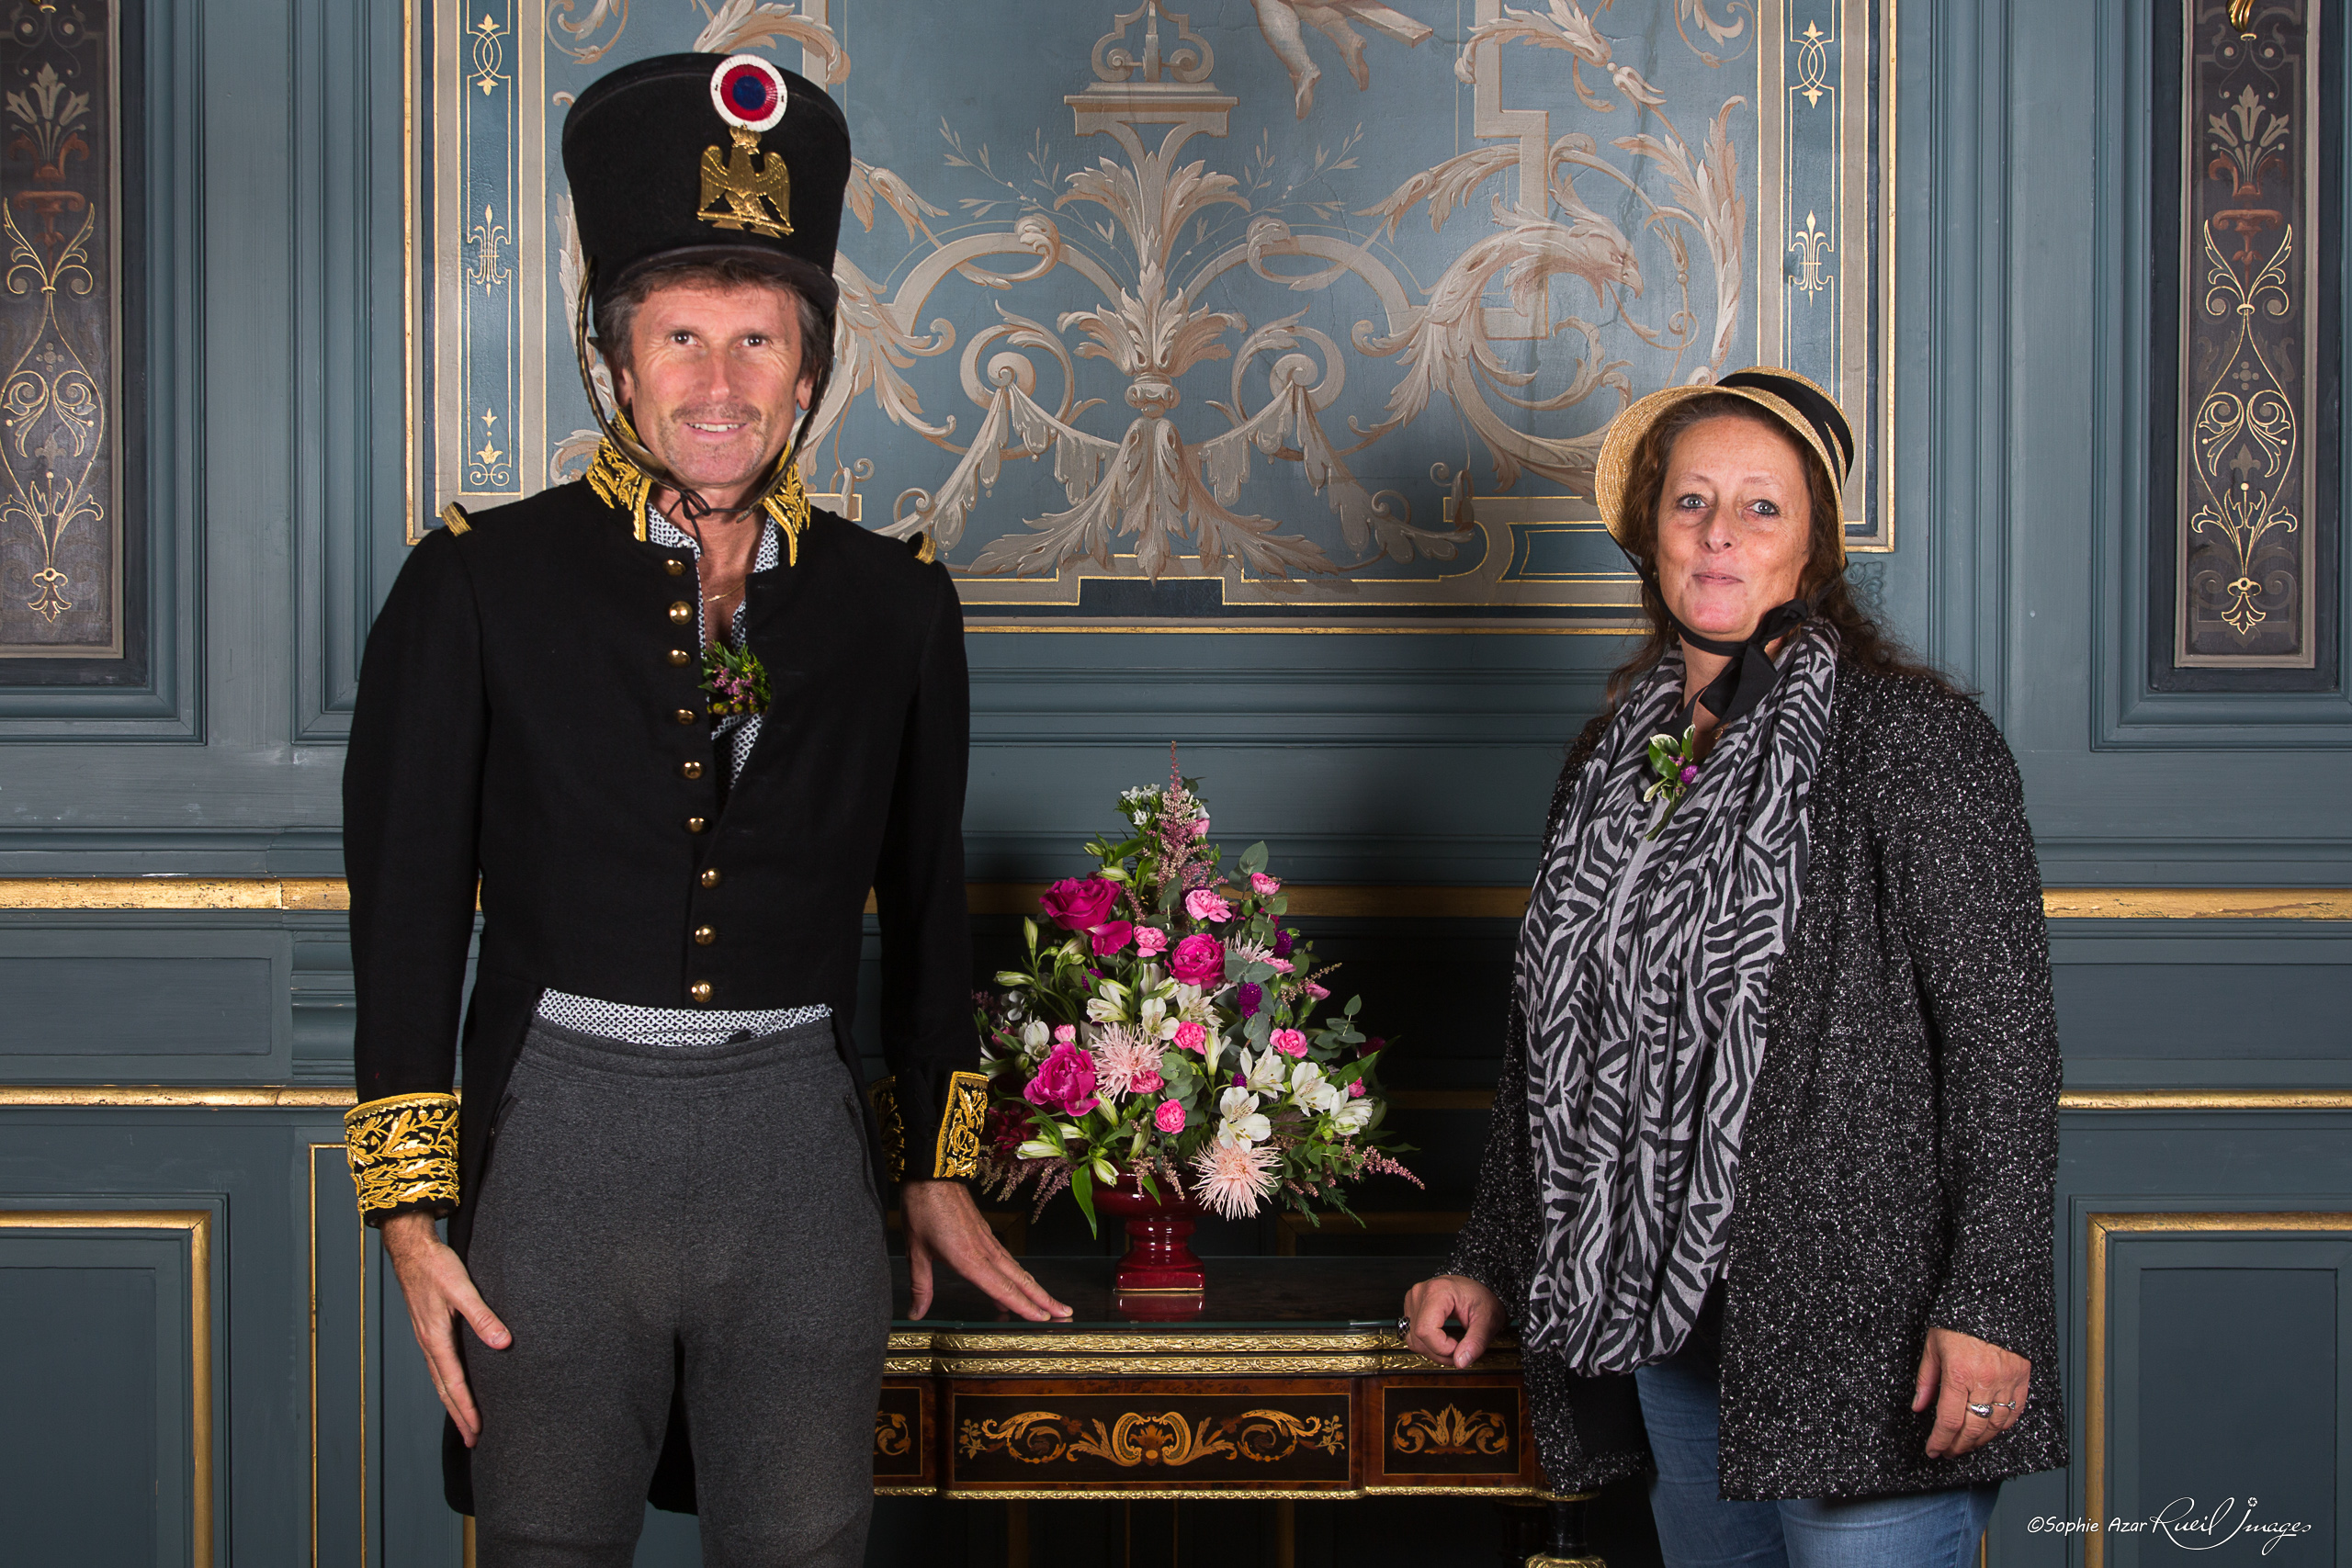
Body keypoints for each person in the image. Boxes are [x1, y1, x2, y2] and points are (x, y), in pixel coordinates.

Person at [339, 51, 1069, 1568]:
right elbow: (405, 913)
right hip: (557, 1155)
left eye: (757, 340)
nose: (719, 384)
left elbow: (929, 908)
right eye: (681, 336)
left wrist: (936, 1169)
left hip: (796, 1159)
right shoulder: (476, 583)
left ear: (809, 371)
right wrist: (410, 1218)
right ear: (618, 360)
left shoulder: (897, 604)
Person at [1400, 368, 2066, 1564]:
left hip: (1865, 1335)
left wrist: (1992, 1303)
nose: (1720, 532)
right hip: (1665, 1327)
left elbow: (2002, 1050)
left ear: (1814, 548)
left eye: (1762, 506)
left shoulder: (1912, 741)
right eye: (1691, 501)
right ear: (1649, 532)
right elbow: (1553, 1048)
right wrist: (1490, 1258)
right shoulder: (1611, 761)